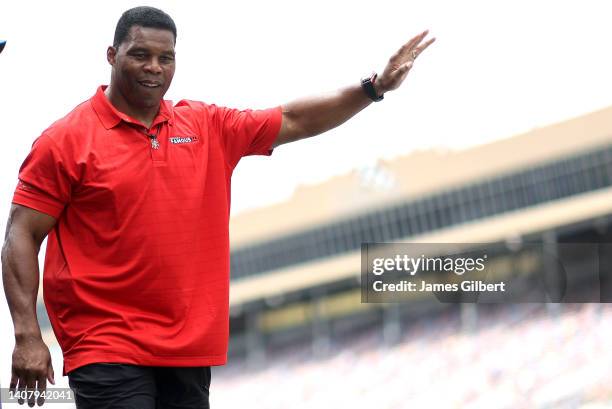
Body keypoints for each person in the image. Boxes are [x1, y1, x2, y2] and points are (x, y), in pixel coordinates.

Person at [2, 6, 434, 409]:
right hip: (105, 343)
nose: (155, 68)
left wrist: (372, 88)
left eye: (166, 58)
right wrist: (27, 335)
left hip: (189, 346)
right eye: (140, 55)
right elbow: (21, 235)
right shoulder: (65, 140)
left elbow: (295, 119)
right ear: (112, 56)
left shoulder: (206, 125)